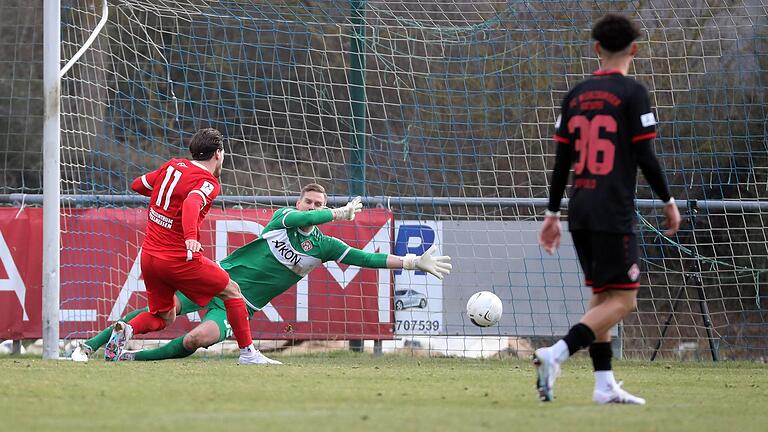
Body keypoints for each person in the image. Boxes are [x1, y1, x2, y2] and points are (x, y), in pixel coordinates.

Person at [72, 183, 452, 363]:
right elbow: (303, 218)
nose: (314, 206)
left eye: (321, 203)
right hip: (214, 280)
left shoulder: (324, 246)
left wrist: (412, 262)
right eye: (310, 201)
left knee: (197, 340)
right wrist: (335, 212)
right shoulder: (282, 219)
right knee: (158, 314)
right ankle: (86, 347)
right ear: (299, 202)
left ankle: (128, 359)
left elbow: (364, 258)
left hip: (240, 305)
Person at [535, 14, 681, 405]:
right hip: (613, 210)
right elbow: (646, 156)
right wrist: (668, 201)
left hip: (580, 207)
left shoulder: (576, 95)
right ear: (634, 49)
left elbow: (561, 162)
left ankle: (603, 385)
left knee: (602, 298)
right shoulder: (633, 93)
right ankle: (557, 353)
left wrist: (552, 215)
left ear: (596, 48)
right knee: (625, 300)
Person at [103, 128, 264, 365]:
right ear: (218, 154)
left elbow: (138, 184)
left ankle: (126, 329)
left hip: (149, 258)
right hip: (179, 259)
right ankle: (249, 353)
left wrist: (164, 196)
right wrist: (190, 236)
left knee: (163, 317)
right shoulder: (209, 182)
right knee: (232, 290)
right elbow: (191, 202)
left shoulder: (172, 166)